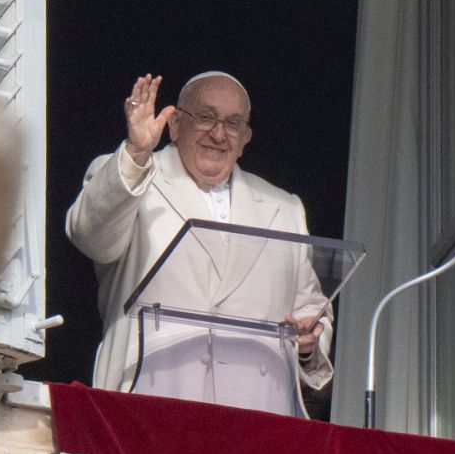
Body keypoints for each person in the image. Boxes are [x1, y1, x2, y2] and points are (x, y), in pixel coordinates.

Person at [66, 71, 332, 414]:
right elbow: (91, 237)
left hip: (258, 410)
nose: (218, 134)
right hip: (155, 399)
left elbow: (311, 309)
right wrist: (135, 153)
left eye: (233, 124)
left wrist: (310, 342)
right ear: (175, 124)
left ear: (245, 137)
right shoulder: (133, 175)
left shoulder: (284, 207)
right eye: (205, 118)